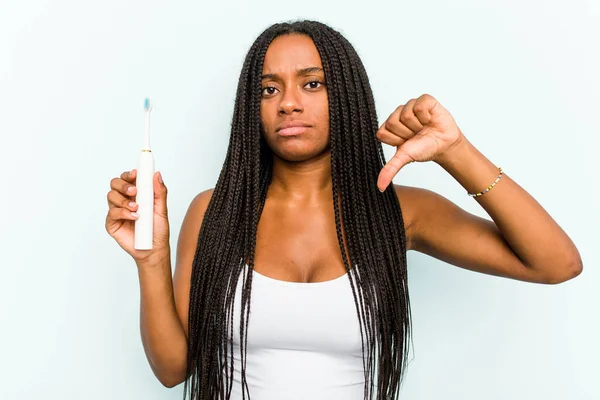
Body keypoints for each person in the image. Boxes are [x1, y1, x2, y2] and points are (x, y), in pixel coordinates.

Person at [105, 20, 582, 400]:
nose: (289, 103)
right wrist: (151, 259)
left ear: (347, 97)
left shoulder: (399, 212)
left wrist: (454, 150)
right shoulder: (216, 211)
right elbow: (173, 371)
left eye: (312, 84)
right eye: (269, 90)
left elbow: (556, 263)